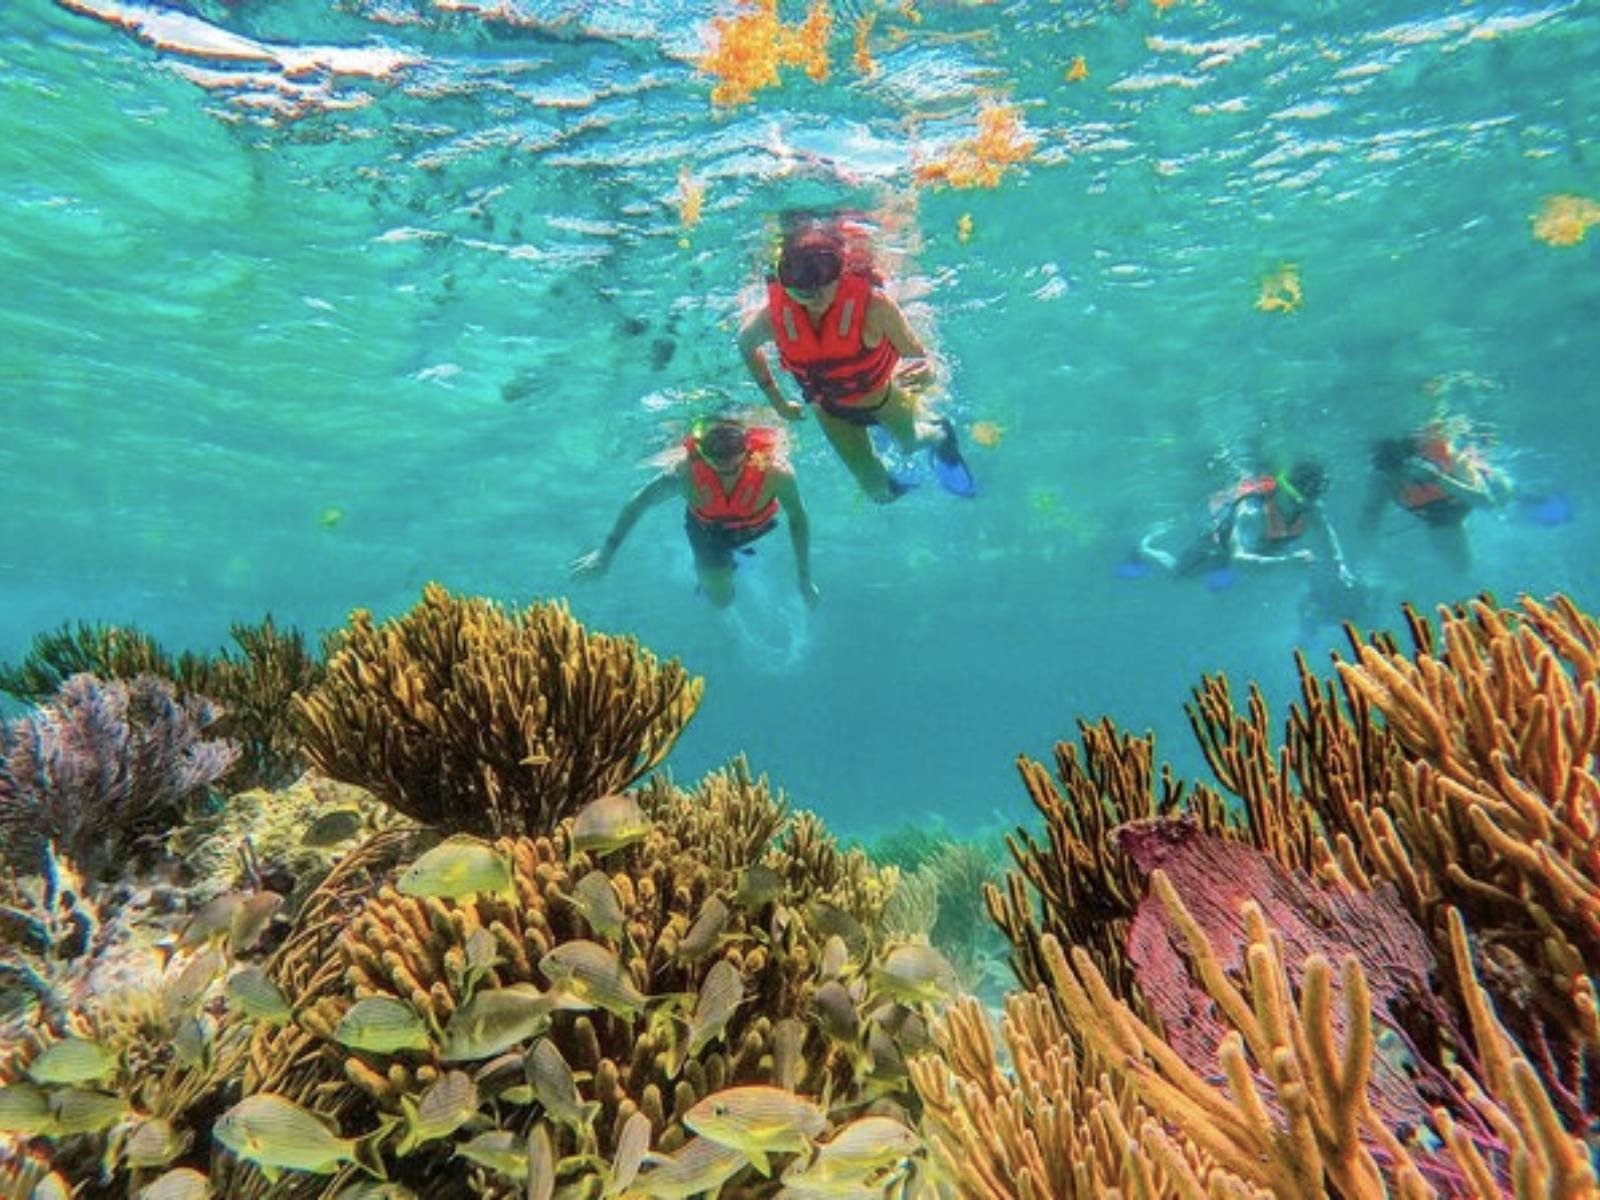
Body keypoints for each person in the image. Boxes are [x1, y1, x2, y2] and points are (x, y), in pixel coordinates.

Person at [736, 220, 976, 503]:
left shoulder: (875, 306)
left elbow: (917, 355)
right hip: (830, 411)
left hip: (883, 398)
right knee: (877, 491)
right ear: (782, 275)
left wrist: (928, 371)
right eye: (799, 277)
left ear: (842, 268)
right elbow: (745, 346)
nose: (814, 291)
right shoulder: (772, 318)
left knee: (911, 443)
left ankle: (940, 434)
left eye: (824, 272)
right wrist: (777, 401)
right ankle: (898, 488)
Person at [570, 417, 819, 609]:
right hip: (705, 532)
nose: (726, 456)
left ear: (748, 443)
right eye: (714, 445)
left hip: (753, 530)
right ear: (700, 448)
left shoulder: (776, 473)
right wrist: (604, 554)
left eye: (733, 442)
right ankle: (720, 574)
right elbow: (640, 502)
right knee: (720, 599)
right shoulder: (684, 473)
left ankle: (733, 560)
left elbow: (798, 518)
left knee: (721, 579)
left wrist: (804, 578)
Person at [1138, 461, 1355, 586]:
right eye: (1295, 500)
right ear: (1282, 489)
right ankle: (1144, 547)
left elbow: (1327, 534)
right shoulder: (1252, 513)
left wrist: (1339, 564)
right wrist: (1286, 563)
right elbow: (1238, 561)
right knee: (1177, 574)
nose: (1300, 508)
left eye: (1306, 503)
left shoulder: (1309, 508)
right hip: (1219, 548)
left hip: (1263, 551)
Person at [1361, 418, 1510, 572]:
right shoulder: (1384, 480)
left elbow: (1487, 501)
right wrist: (1436, 478)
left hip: (1453, 494)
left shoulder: (1439, 461)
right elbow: (1371, 514)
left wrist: (1437, 478)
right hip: (1442, 507)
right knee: (1460, 565)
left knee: (1502, 492)